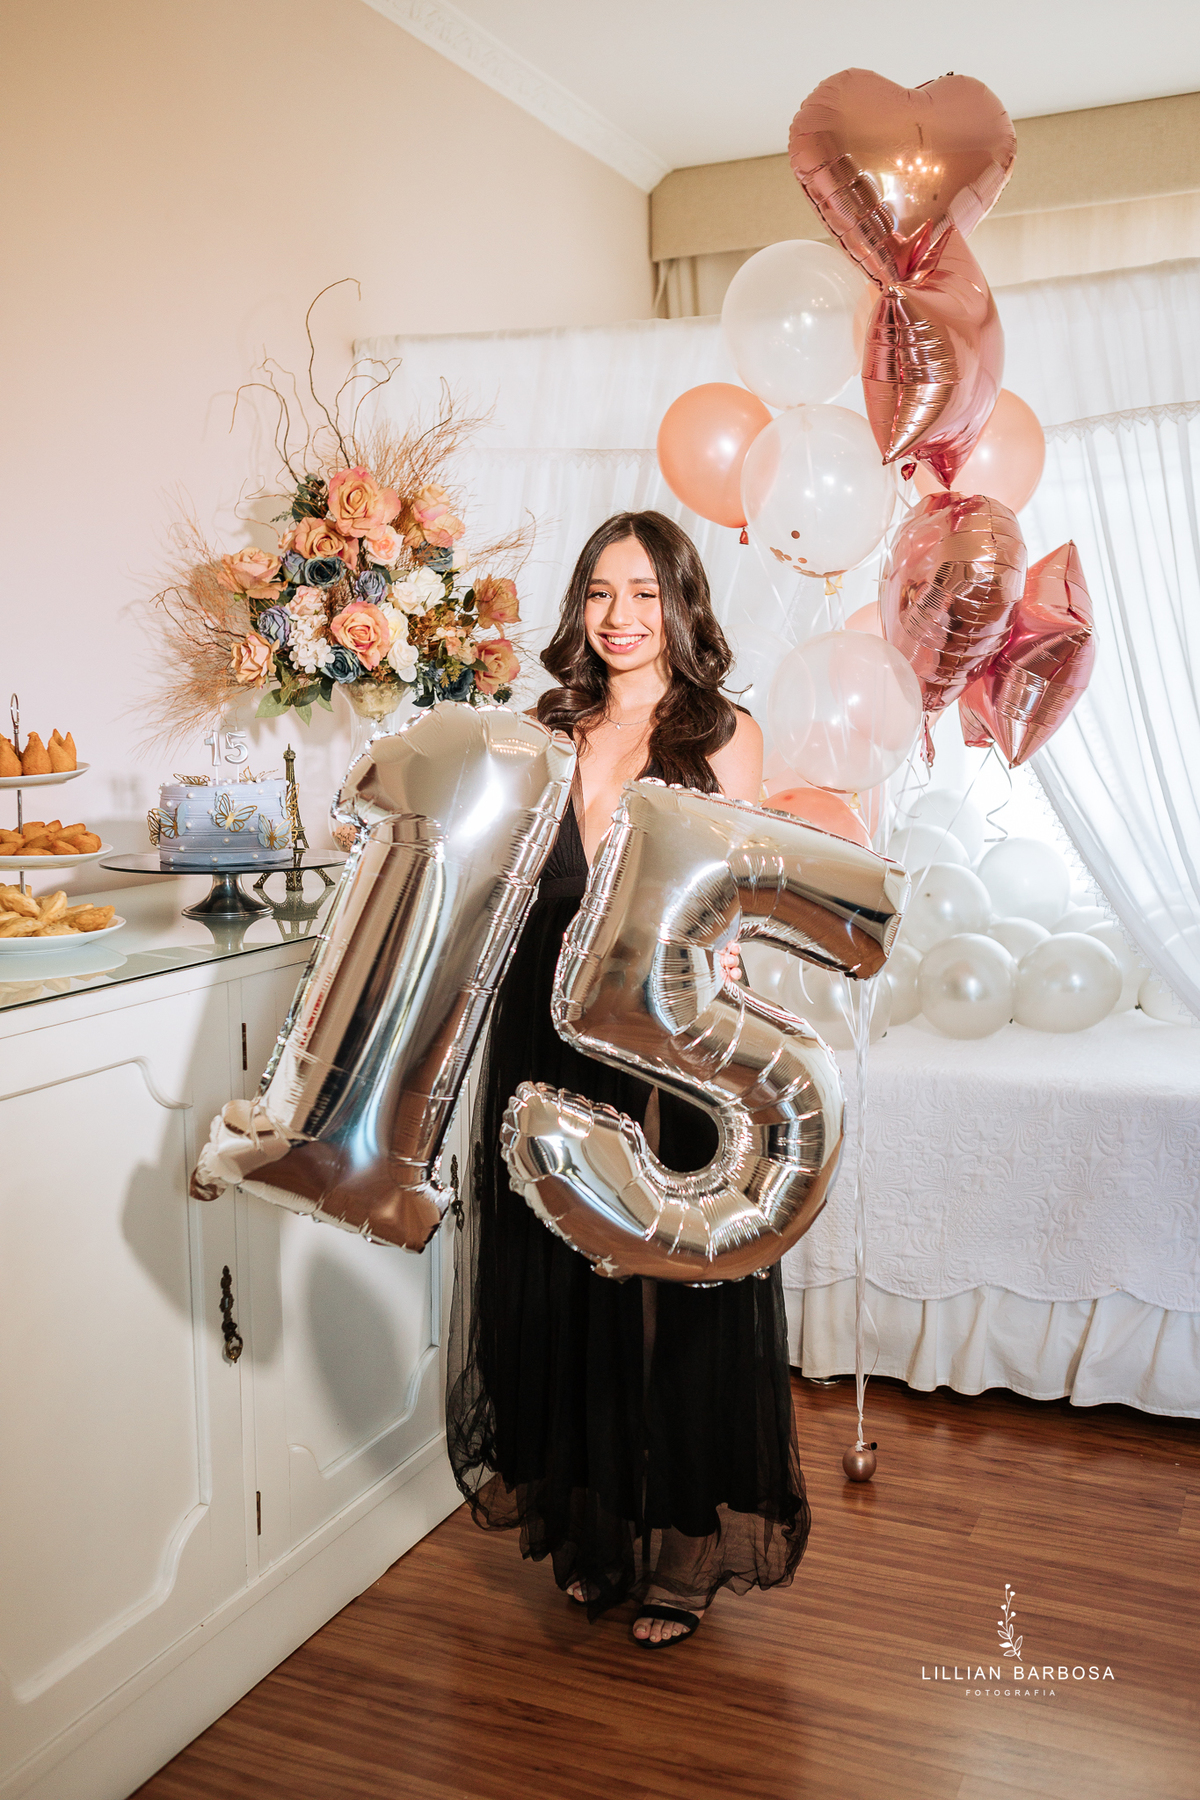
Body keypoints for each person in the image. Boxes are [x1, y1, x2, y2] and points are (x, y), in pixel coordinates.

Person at [446, 510, 809, 1646]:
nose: (621, 616)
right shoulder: (543, 729)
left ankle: (682, 1547)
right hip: (542, 1027)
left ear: (682, 604)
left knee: (666, 1285)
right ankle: (597, 1527)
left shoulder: (724, 733)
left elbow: (731, 901)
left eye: (646, 593)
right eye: (602, 592)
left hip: (668, 1039)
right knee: (564, 1283)